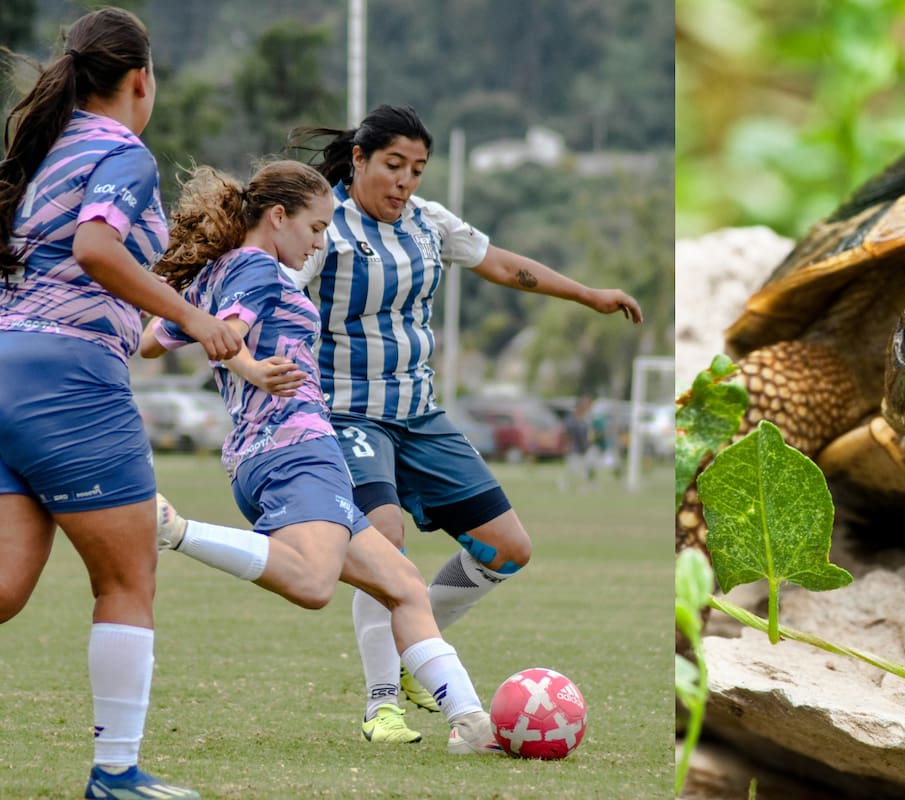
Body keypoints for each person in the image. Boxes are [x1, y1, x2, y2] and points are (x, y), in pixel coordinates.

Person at [285, 105, 644, 743]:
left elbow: (502, 264)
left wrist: (589, 294)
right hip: (346, 413)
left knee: (508, 549)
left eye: (418, 170)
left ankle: (417, 645)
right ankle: (382, 705)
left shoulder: (428, 223)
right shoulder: (325, 226)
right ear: (361, 159)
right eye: (394, 165)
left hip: (420, 415)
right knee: (382, 541)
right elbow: (279, 292)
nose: (405, 182)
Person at [140, 159, 503, 756]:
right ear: (278, 217)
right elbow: (228, 332)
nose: (319, 240)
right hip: (294, 447)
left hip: (274, 455)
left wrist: (223, 342)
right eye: (315, 226)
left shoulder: (220, 272)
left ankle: (471, 724)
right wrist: (250, 364)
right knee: (312, 583)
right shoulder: (256, 267)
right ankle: (173, 529)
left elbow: (156, 341)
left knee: (405, 587)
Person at [0, 8, 245, 799]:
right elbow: (96, 250)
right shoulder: (120, 152)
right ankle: (116, 775)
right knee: (127, 580)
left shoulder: (41, 154)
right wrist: (194, 317)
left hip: (7, 366)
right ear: (141, 78)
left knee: (4, 587)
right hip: (68, 382)